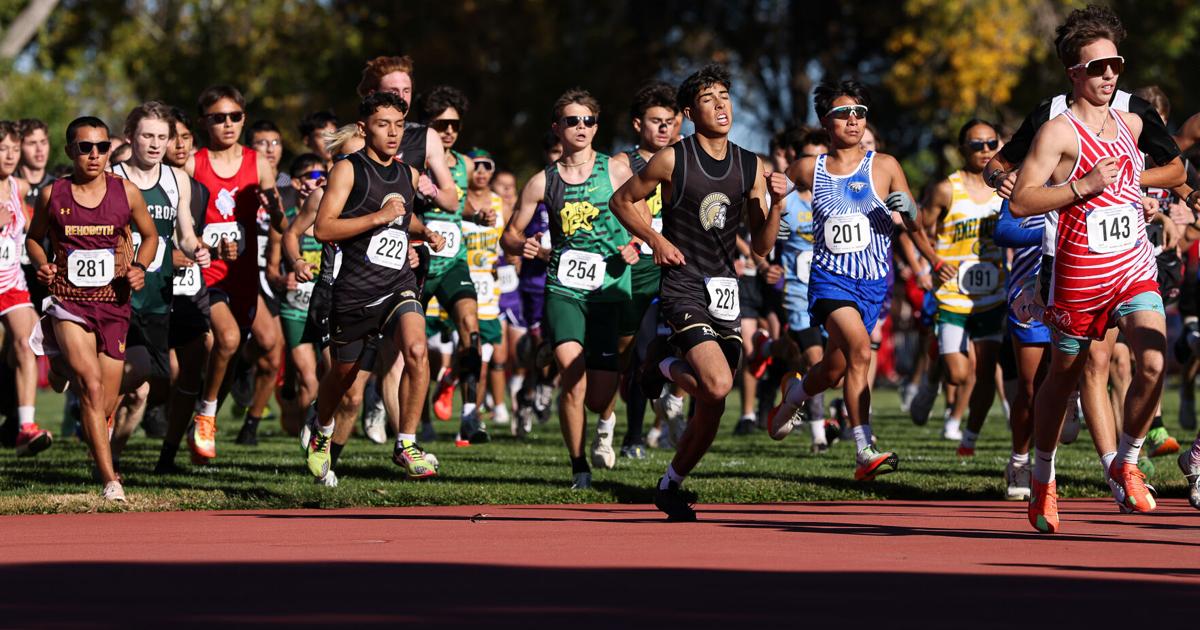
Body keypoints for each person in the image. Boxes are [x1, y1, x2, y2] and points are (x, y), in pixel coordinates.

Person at [1011, 5, 1164, 532]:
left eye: (1115, 65)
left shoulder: (1134, 124)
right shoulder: (1058, 133)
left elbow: (1160, 169)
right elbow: (1021, 202)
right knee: (1064, 377)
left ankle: (1126, 461)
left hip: (1133, 268)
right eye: (1097, 67)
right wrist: (1082, 187)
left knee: (1152, 362)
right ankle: (1044, 476)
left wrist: (1148, 199)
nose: (1108, 75)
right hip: (1078, 275)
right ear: (1073, 73)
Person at [611, 65, 783, 519]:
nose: (721, 105)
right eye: (709, 98)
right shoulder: (672, 158)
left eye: (725, 95)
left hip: (726, 289)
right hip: (684, 283)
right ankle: (663, 363)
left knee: (714, 404)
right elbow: (621, 201)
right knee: (718, 383)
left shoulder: (751, 164)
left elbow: (763, 247)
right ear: (689, 112)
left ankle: (670, 484)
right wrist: (657, 240)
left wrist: (778, 204)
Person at [765, 80, 941, 483]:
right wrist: (772, 194)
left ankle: (791, 398)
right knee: (862, 351)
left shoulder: (885, 166)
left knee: (835, 369)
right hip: (829, 282)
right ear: (826, 121)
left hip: (873, 285)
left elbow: (912, 223)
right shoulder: (811, 168)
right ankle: (864, 448)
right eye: (844, 113)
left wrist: (918, 230)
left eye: (860, 112)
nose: (853, 120)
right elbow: (770, 196)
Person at [502, 88, 640, 488]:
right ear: (557, 128)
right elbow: (508, 236)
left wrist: (634, 245)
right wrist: (520, 244)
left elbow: (644, 217)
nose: (581, 127)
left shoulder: (614, 170)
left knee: (600, 394)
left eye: (588, 121)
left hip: (610, 286)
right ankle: (579, 465)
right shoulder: (541, 182)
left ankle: (606, 421)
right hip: (564, 285)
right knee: (571, 374)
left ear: (596, 127)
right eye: (572, 121)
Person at [309, 90, 444, 481]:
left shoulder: (407, 173)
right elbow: (323, 228)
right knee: (343, 378)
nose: (393, 133)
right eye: (383, 124)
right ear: (365, 127)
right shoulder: (348, 169)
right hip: (354, 292)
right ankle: (321, 429)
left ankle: (406, 443)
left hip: (398, 283)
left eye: (399, 125)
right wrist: (377, 218)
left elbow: (402, 217)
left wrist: (425, 232)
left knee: (418, 349)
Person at [25, 116, 159, 501]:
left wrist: (139, 266)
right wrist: (41, 264)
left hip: (113, 305)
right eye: (86, 147)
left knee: (104, 404)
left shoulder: (126, 192)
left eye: (102, 147)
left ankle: (72, 388)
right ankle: (108, 479)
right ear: (71, 151)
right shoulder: (53, 195)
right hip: (69, 303)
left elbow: (148, 236)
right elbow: (34, 241)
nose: (95, 155)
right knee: (92, 386)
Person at [183, 84, 280, 464]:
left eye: (235, 116)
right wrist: (203, 242)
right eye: (218, 118)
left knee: (236, 349)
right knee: (227, 338)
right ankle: (205, 417)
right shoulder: (194, 164)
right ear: (203, 122)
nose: (228, 124)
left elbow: (277, 221)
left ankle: (201, 419)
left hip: (243, 276)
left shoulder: (259, 163)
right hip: (207, 274)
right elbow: (179, 222)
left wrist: (280, 230)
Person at [109, 102, 208, 462]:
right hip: (116, 294)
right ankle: (106, 458)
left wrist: (198, 248)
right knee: (137, 378)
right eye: (147, 136)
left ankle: (109, 454)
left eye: (161, 137)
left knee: (146, 388)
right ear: (129, 137)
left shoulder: (176, 179)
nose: (155, 144)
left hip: (158, 296)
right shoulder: (112, 176)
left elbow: (184, 232)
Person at [919, 120, 1007, 456]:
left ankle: (969, 437)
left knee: (984, 373)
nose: (985, 151)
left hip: (992, 296)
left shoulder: (1007, 188)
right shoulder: (946, 189)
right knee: (957, 374)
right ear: (962, 149)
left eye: (991, 143)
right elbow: (919, 228)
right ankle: (933, 371)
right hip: (953, 295)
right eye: (976, 145)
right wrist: (932, 262)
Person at [610, 80, 681, 458]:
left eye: (670, 121)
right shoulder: (623, 164)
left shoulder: (683, 159)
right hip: (634, 268)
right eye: (656, 121)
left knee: (653, 349)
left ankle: (635, 436)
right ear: (638, 124)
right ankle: (617, 413)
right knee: (627, 356)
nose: (664, 128)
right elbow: (617, 210)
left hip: (674, 267)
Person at [0, 121, 44, 455]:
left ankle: (25, 426)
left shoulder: (19, 185)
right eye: (3, 149)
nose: (10, 155)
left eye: (15, 149)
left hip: (12, 283)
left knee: (26, 343)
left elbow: (32, 231)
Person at [462, 148, 512, 428]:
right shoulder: (457, 200)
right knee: (442, 357)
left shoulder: (500, 203)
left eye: (487, 165)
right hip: (456, 287)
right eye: (475, 166)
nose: (481, 171)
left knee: (480, 361)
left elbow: (508, 241)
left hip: (489, 293)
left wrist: (513, 256)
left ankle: (471, 419)